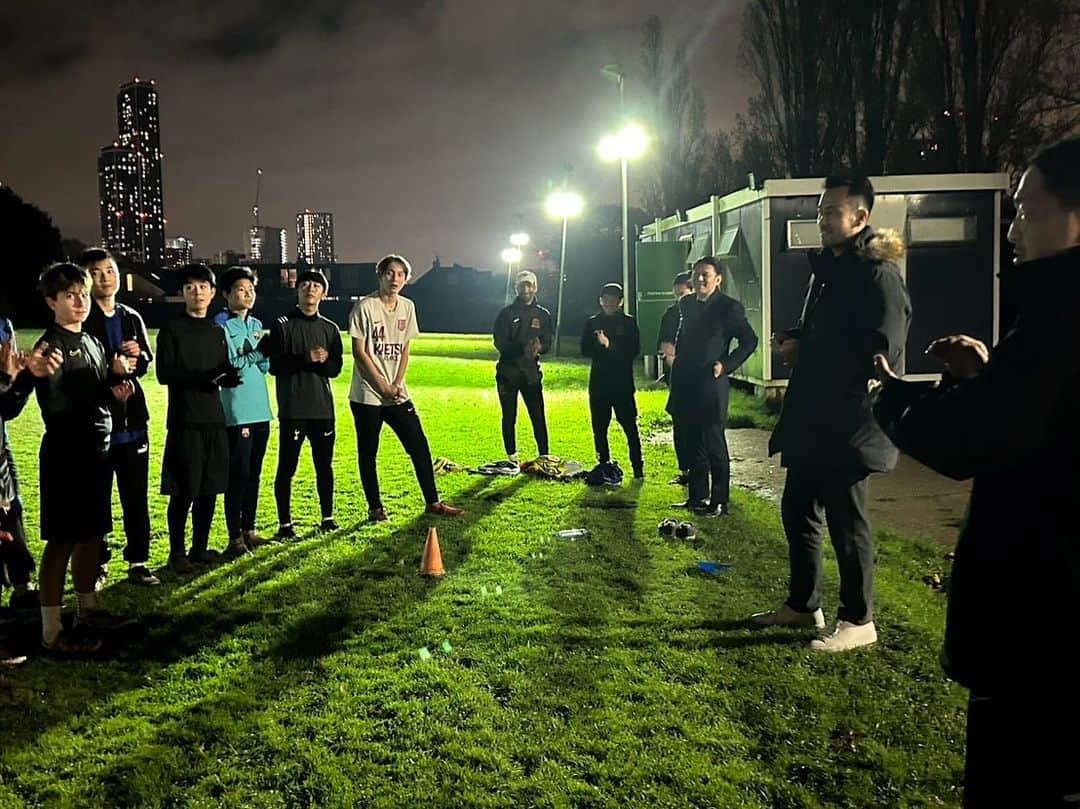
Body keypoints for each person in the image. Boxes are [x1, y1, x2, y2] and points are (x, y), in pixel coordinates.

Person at [871, 137, 1080, 807]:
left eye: (1026, 212)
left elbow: (972, 440)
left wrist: (893, 394)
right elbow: (1040, 421)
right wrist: (990, 380)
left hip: (1043, 628)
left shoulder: (1062, 314)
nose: (1012, 231)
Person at [752, 174, 911, 652]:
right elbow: (828, 334)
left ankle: (859, 620)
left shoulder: (877, 275)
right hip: (814, 417)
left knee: (847, 520)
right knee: (798, 508)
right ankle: (804, 606)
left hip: (849, 421)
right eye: (820, 211)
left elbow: (880, 351)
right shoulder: (832, 269)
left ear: (860, 217)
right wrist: (798, 339)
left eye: (831, 212)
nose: (821, 220)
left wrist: (813, 352)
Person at [21, 263, 135, 653]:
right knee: (62, 541)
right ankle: (51, 631)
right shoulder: (48, 348)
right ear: (52, 301)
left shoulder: (91, 341)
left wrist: (116, 384)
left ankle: (88, 611)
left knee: (92, 534)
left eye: (83, 294)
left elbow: (98, 390)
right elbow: (57, 400)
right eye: (70, 295)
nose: (79, 302)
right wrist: (33, 374)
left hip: (98, 450)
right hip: (67, 454)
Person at [348, 255, 463, 521]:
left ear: (406, 278)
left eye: (401, 274)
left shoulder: (408, 307)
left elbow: (405, 348)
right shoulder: (365, 307)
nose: (395, 278)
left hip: (397, 393)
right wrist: (382, 385)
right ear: (380, 275)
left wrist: (397, 384)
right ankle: (375, 507)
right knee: (368, 451)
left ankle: (433, 502)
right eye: (390, 273)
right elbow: (359, 352)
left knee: (419, 446)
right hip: (367, 394)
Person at [81, 248, 159, 587]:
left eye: (109, 270)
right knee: (97, 498)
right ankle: (97, 562)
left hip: (133, 420)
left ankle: (138, 560)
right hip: (97, 422)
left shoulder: (130, 316)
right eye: (96, 272)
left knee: (135, 496)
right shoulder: (82, 320)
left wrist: (138, 357)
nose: (104, 278)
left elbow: (146, 359)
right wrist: (111, 371)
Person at [156, 263, 238, 573]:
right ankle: (176, 553)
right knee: (184, 490)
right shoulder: (172, 330)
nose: (197, 292)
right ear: (182, 293)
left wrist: (228, 377)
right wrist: (204, 378)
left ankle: (200, 548)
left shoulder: (217, 330)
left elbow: (221, 368)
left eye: (203, 286)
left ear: (213, 292)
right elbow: (165, 373)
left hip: (214, 419)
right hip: (185, 420)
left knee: (209, 488)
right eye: (190, 287)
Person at [665, 257, 758, 516]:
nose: (700, 279)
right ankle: (696, 496)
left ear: (718, 279)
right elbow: (683, 337)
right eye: (696, 275)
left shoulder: (729, 308)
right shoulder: (685, 304)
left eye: (705, 274)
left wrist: (726, 365)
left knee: (714, 442)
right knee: (691, 440)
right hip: (685, 381)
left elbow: (749, 341)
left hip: (711, 382)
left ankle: (720, 500)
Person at [260, 270, 342, 538]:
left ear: (323, 293)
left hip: (323, 410)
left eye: (316, 285)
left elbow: (335, 368)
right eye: (305, 284)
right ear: (297, 290)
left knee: (324, 465)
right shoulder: (283, 324)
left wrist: (323, 361)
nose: (310, 289)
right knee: (287, 467)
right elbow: (275, 366)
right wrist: (306, 358)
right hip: (294, 409)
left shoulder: (330, 329)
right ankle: (285, 525)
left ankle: (327, 518)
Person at [214, 267, 274, 556]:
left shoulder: (257, 323)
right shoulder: (221, 326)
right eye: (240, 288)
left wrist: (263, 354)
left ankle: (249, 529)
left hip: (261, 408)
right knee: (237, 475)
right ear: (226, 294)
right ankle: (234, 537)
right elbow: (231, 365)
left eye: (250, 288)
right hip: (237, 410)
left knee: (254, 473)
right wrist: (257, 353)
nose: (247, 293)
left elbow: (264, 367)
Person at [580, 283, 643, 478]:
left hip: (622, 384)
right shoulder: (592, 322)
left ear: (620, 302)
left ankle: (638, 467)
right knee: (599, 427)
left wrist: (609, 345)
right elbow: (584, 350)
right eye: (605, 299)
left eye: (613, 300)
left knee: (630, 427)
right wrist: (598, 346)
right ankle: (604, 464)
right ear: (600, 301)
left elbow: (633, 350)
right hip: (599, 384)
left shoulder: (629, 323)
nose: (609, 303)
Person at [493, 270, 553, 462]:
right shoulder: (506, 314)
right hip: (508, 374)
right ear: (516, 288)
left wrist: (539, 348)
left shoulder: (543, 315)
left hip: (531, 374)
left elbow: (547, 343)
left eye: (529, 285)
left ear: (535, 287)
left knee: (538, 416)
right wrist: (522, 348)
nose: (526, 289)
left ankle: (544, 456)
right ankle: (512, 457)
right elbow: (500, 343)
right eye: (521, 286)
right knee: (509, 416)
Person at [0, 319, 38, 614]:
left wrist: (22, 381)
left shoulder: (5, 324)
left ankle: (23, 588)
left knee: (12, 510)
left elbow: (7, 409)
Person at [658, 271, 693, 484]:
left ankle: (702, 470)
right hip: (677, 377)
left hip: (697, 377)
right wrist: (668, 355)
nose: (679, 299)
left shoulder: (702, 314)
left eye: (683, 294)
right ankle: (685, 470)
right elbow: (664, 343)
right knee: (679, 423)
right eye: (676, 295)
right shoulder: (671, 315)